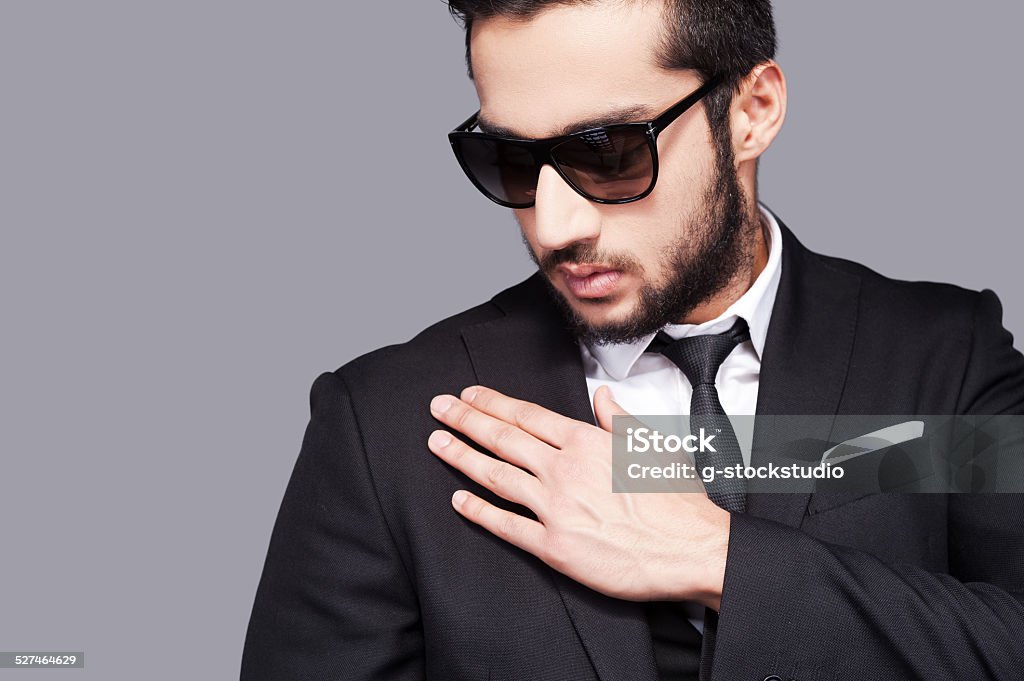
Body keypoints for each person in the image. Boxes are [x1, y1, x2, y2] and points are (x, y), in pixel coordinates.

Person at [240, 1, 1024, 679]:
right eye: (509, 159)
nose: (554, 225)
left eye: (607, 152)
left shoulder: (945, 359)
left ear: (753, 110)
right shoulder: (385, 426)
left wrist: (719, 557)